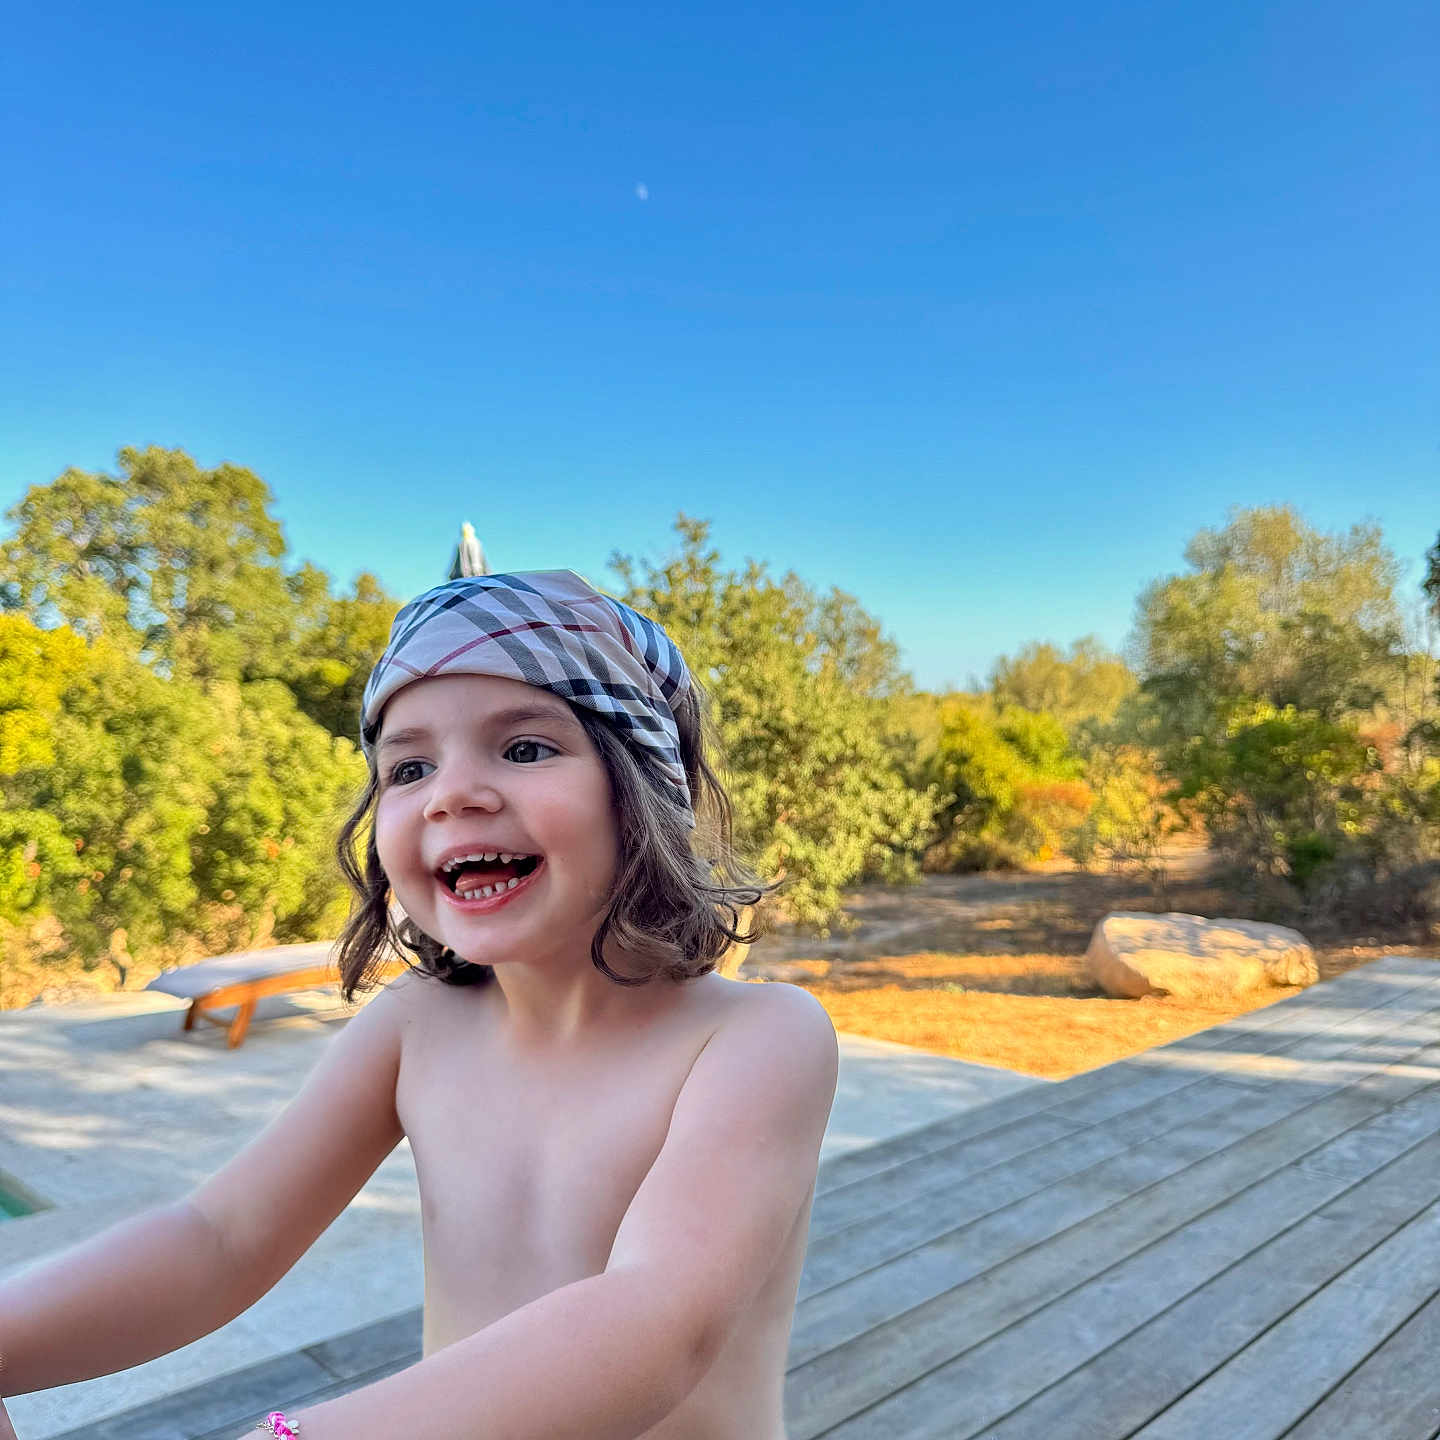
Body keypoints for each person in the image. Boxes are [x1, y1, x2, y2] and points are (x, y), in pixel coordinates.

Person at [0, 570, 839, 1440]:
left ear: (641, 794)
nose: (451, 793)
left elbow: (657, 1320)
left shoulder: (755, 1038)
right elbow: (221, 1237)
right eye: (408, 766)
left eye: (524, 749)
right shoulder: (417, 1025)